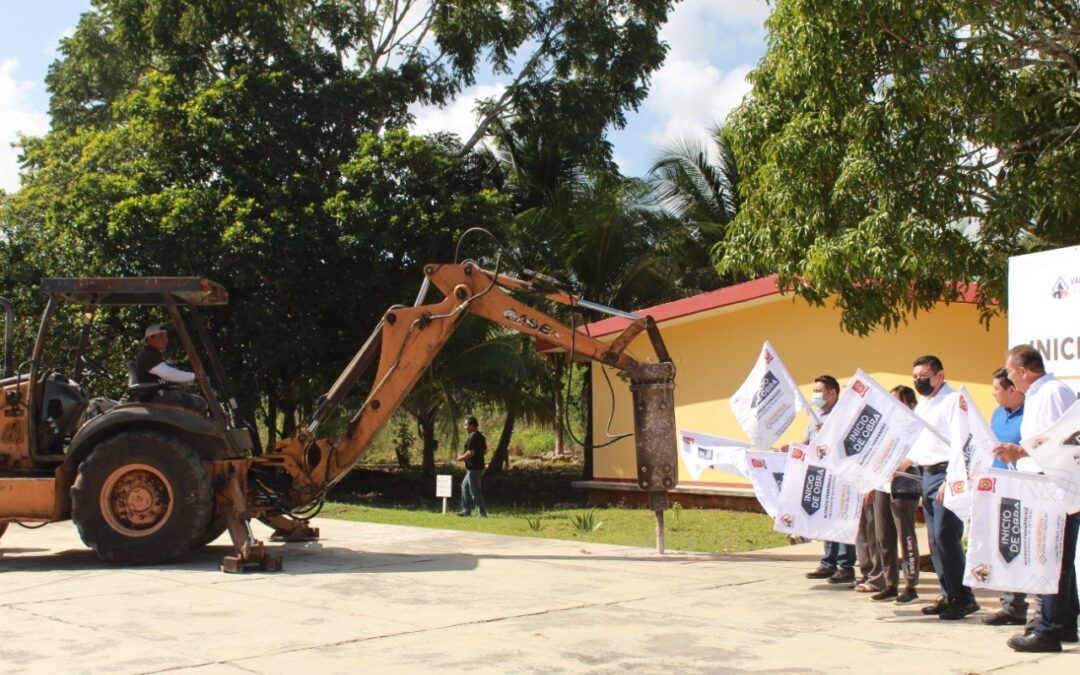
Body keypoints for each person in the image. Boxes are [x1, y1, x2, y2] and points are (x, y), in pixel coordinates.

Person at [993, 345, 1079, 652]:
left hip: (1055, 486)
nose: (1009, 377)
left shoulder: (1052, 392)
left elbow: (1064, 440)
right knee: (1059, 561)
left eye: (1010, 371)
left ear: (1022, 370)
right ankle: (1066, 625)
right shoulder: (1040, 394)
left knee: (1052, 561)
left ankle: (1048, 631)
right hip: (1046, 486)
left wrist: (1020, 450)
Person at [902, 355, 978, 620]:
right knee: (935, 540)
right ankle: (948, 594)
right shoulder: (925, 404)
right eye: (915, 377)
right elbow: (920, 443)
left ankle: (964, 597)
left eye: (923, 376)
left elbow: (960, 444)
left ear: (939, 376)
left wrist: (951, 480)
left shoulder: (953, 401)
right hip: (927, 474)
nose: (918, 381)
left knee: (947, 536)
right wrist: (904, 464)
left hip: (947, 473)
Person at [981, 368, 1028, 628]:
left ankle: (1043, 611)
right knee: (1006, 548)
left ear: (1012, 390)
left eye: (996, 389)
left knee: (1031, 550)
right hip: (1001, 489)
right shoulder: (998, 414)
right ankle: (1012, 607)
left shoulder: (1032, 413)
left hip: (1029, 491)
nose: (993, 394)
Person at [800, 375, 858, 584]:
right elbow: (807, 441)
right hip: (820, 474)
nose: (815, 395)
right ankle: (828, 563)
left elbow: (845, 442)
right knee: (825, 518)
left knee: (841, 519)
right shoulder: (815, 415)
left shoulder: (842, 414)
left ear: (832, 393)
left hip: (840, 476)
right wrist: (794, 449)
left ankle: (846, 566)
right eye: (814, 391)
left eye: (819, 391)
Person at [888, 385, 922, 604]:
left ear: (909, 403)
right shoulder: (890, 426)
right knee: (886, 536)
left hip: (905, 487)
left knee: (906, 536)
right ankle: (890, 582)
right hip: (886, 486)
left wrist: (899, 467)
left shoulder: (916, 426)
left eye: (897, 401)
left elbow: (917, 454)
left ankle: (911, 584)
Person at [135, 324, 207, 412]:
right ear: (150, 338)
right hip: (155, 398)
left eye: (166, 337)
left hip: (164, 395)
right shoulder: (147, 355)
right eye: (161, 337)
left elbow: (173, 378)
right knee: (193, 402)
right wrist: (195, 376)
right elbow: (168, 374)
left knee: (200, 402)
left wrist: (192, 381)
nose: (165, 340)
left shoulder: (158, 355)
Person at [456, 416, 488, 518]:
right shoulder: (481, 436)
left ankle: (482, 513)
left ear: (472, 425)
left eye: (466, 425)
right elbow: (485, 451)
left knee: (474, 490)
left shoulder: (473, 436)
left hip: (474, 468)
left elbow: (471, 452)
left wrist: (460, 458)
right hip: (478, 467)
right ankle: (466, 510)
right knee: (465, 486)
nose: (465, 427)